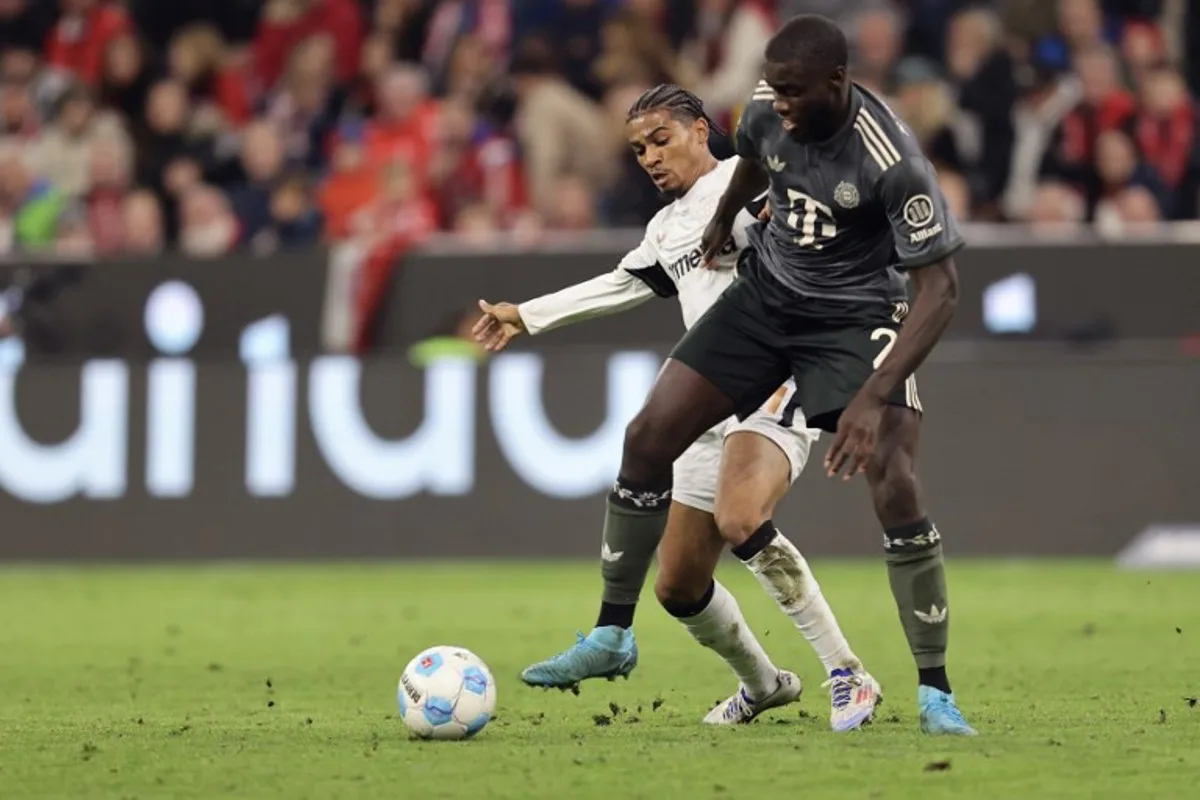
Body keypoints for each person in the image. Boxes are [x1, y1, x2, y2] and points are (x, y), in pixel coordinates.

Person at [584, 15, 975, 736]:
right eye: (775, 89)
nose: (779, 103)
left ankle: (935, 691)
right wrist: (721, 217)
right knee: (647, 436)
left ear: (838, 81)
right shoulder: (767, 109)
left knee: (893, 476)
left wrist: (873, 394)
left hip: (858, 314)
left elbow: (941, 291)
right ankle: (612, 632)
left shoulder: (893, 163)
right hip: (770, 299)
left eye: (795, 92)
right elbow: (756, 162)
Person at [472, 85, 882, 731]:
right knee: (678, 586)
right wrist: (527, 315)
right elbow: (622, 284)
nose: (651, 158)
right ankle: (764, 684)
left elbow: (801, 205)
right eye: (638, 150)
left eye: (662, 139)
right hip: (705, 408)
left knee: (743, 517)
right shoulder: (665, 228)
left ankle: (848, 672)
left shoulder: (746, 186)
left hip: (775, 379)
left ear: (702, 130)